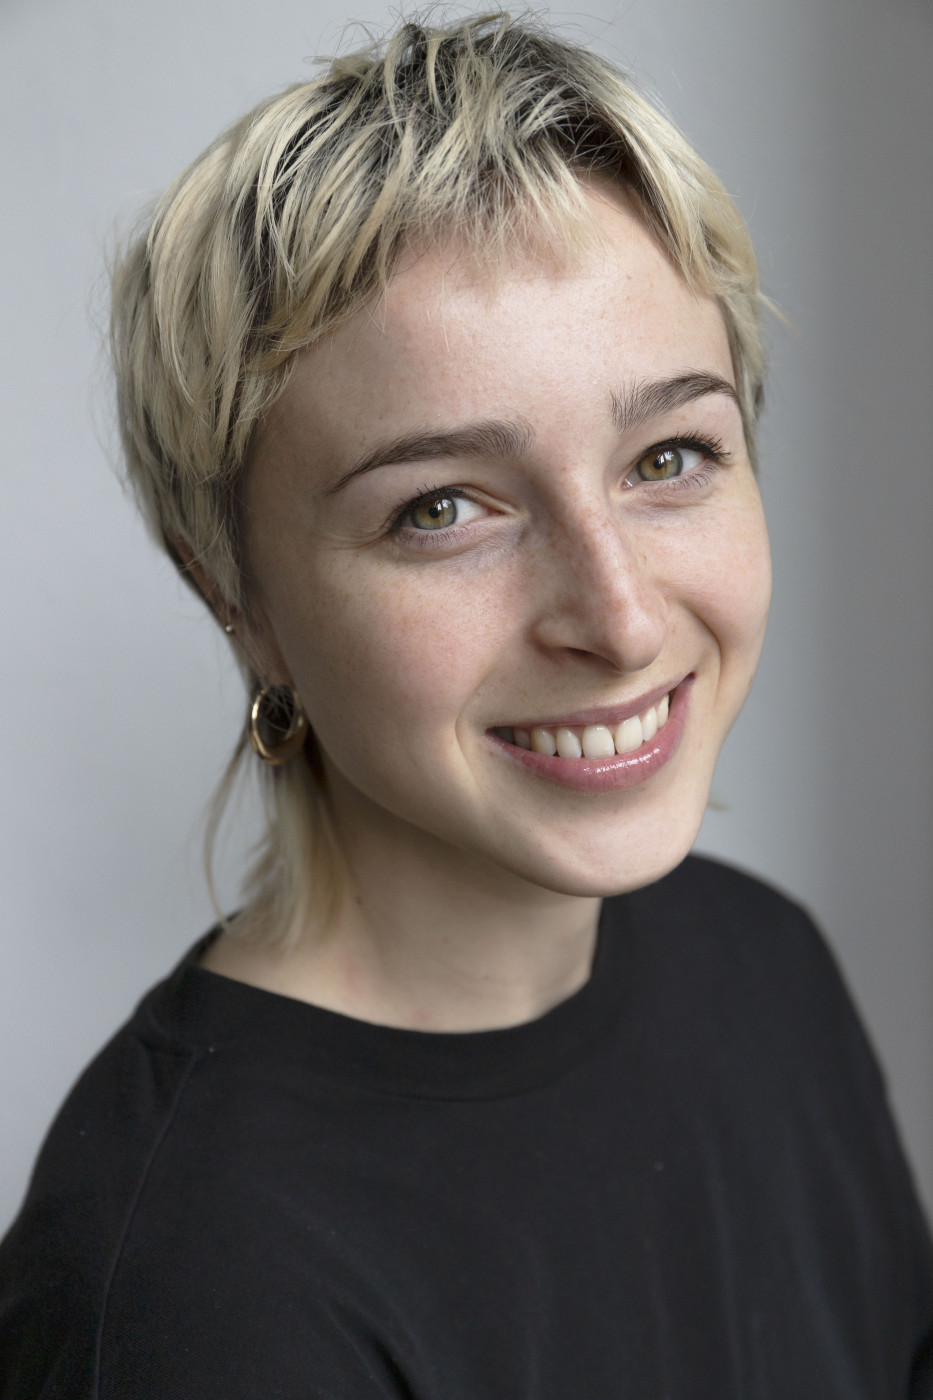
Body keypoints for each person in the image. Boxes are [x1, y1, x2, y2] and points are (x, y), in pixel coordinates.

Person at [1, 12, 930, 1396]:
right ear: (236, 598)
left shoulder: (764, 968)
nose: (619, 619)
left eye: (667, 456)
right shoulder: (191, 1286)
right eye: (442, 508)